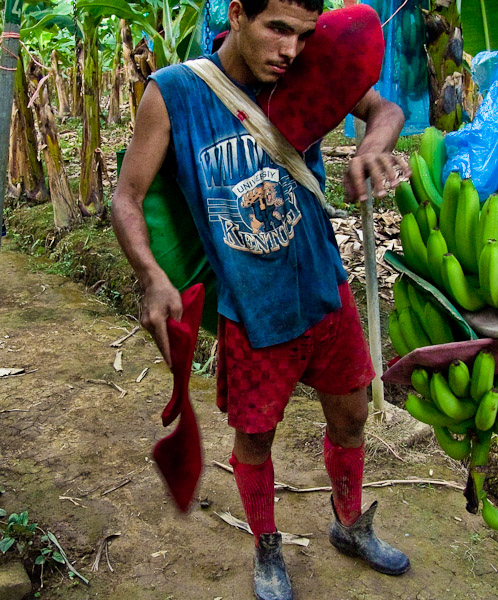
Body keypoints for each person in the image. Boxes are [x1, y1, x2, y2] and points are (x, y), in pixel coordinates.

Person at [111, 1, 411, 598]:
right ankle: (266, 545)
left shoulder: (307, 70)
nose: (290, 51)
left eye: (302, 35)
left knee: (351, 414)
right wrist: (150, 275)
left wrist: (372, 144)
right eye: (277, 29)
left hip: (324, 289)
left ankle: (349, 522)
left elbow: (384, 107)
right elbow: (126, 195)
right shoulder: (175, 93)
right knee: (256, 434)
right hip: (250, 306)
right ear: (239, 15)